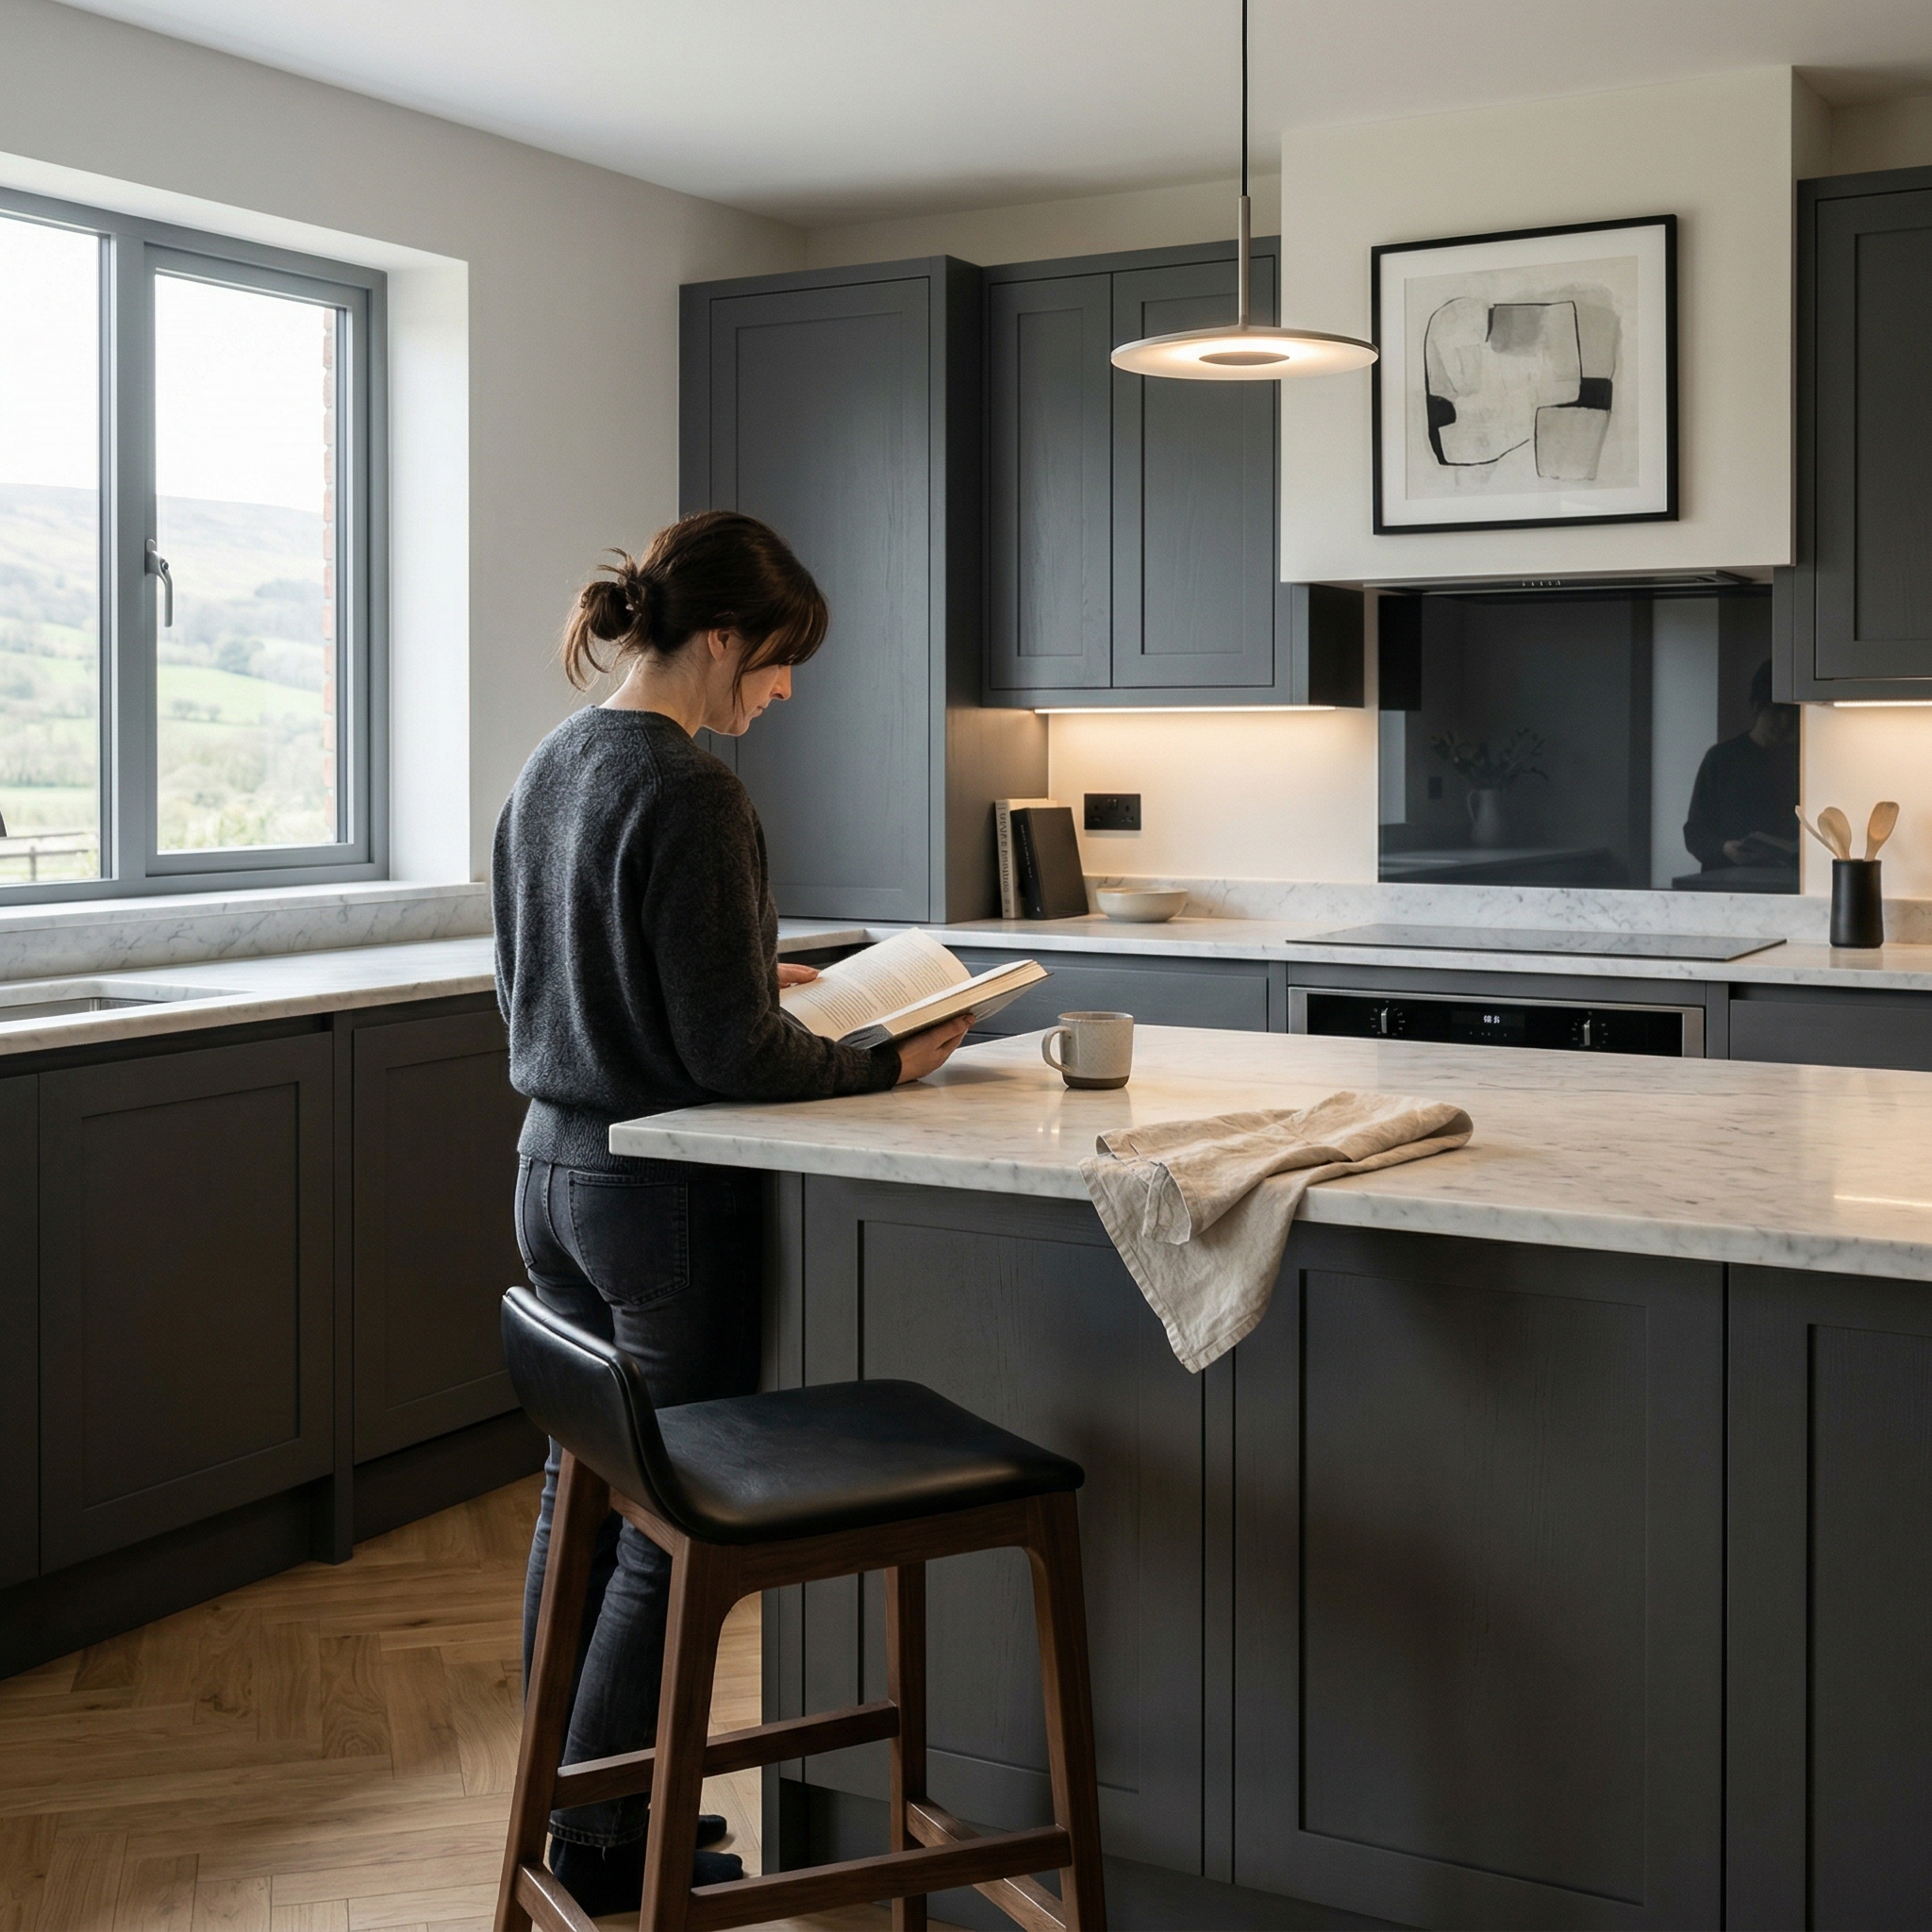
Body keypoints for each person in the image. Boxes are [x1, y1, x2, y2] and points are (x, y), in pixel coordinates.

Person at [492, 509, 969, 1917]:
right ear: (718, 641)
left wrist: (750, 966)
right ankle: (613, 1836)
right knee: (664, 1523)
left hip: (550, 1173)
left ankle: (572, 1807)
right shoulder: (692, 790)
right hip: (659, 1200)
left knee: (578, 1497)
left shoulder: (553, 759)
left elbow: (560, 979)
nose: (783, 689)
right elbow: (729, 1059)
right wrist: (887, 1057)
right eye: (776, 661)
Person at [1682, 660, 1800, 875]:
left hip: (1787, 881)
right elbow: (1695, 833)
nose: (1784, 722)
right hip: (1727, 880)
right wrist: (1724, 849)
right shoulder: (1721, 759)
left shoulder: (1802, 761)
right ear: (1756, 706)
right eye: (1775, 711)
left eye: (1791, 713)